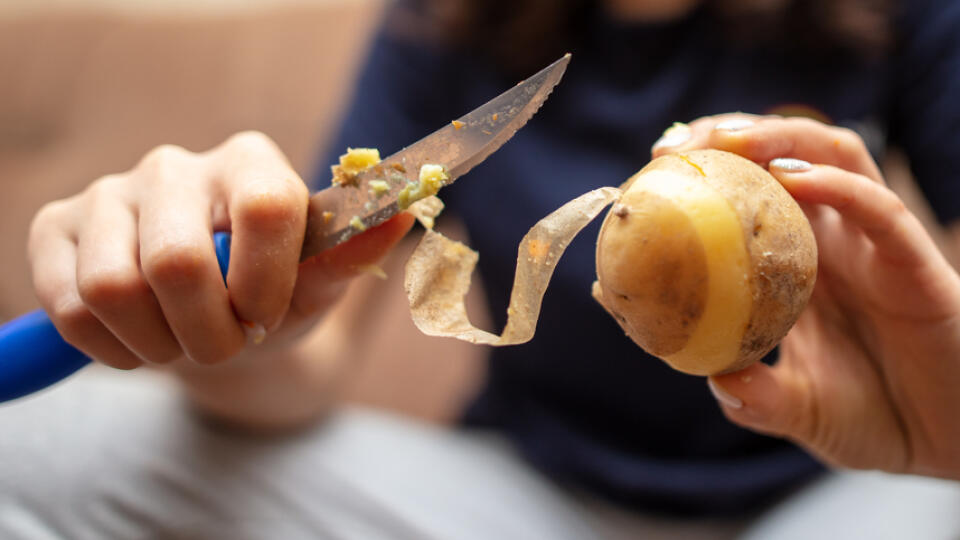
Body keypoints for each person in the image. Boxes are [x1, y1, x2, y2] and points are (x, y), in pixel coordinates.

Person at [4, 0, 960, 537]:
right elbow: (310, 360)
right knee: (43, 439)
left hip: (839, 495)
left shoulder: (897, 14)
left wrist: (940, 426)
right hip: (521, 505)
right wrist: (227, 321)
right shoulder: (450, 21)